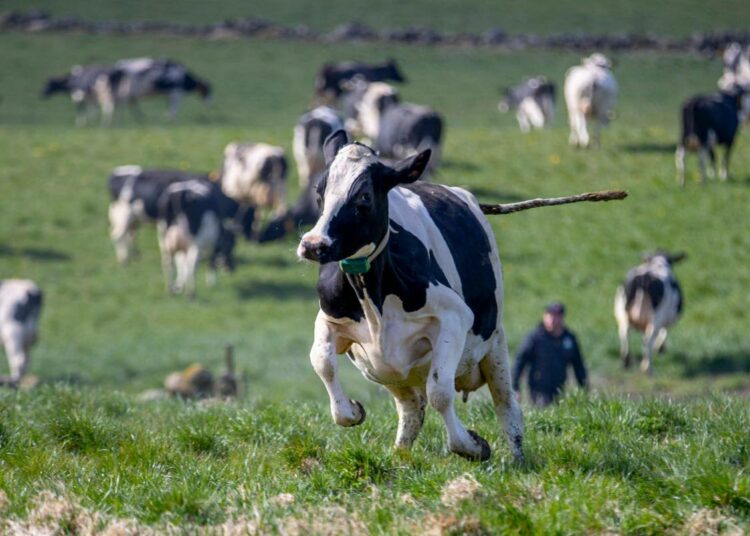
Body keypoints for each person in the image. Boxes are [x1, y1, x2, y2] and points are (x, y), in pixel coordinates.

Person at [512, 302, 587, 406]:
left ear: (562, 318)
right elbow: (520, 362)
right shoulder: (535, 337)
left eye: (556, 316)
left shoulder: (569, 339)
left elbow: (578, 366)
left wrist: (584, 389)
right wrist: (515, 387)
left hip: (559, 388)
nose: (552, 319)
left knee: (559, 413)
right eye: (549, 315)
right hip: (539, 389)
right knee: (544, 410)